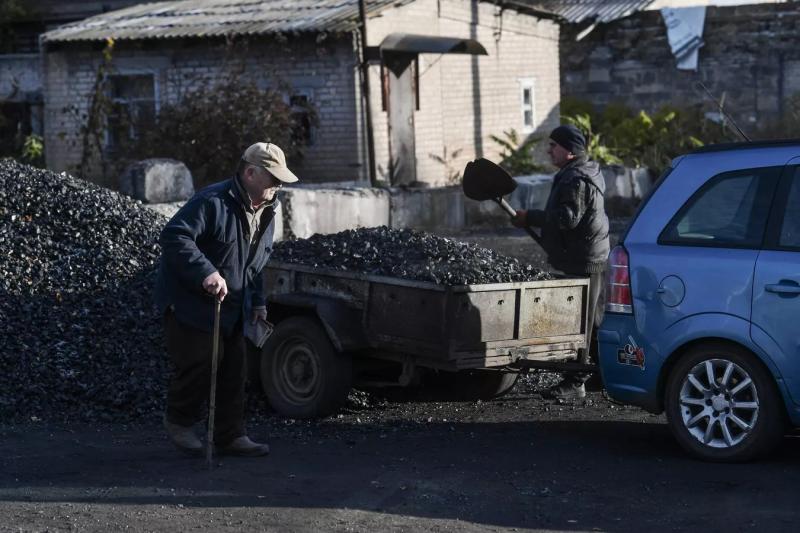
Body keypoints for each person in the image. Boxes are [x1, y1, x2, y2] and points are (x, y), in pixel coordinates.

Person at [155, 142, 298, 456]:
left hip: (235, 303)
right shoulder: (211, 201)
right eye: (273, 177)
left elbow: (256, 260)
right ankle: (179, 422)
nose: (278, 185)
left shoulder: (267, 209)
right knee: (202, 362)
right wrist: (205, 272)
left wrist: (258, 301)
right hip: (192, 302)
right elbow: (174, 236)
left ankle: (230, 435)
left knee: (235, 368)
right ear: (250, 173)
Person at [511, 125, 609, 399]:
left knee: (581, 322)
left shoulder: (575, 178)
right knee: (593, 321)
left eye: (553, 145)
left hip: (584, 259)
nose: (549, 150)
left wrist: (529, 217)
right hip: (590, 255)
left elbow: (567, 219)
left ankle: (576, 382)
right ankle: (602, 375)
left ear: (569, 151)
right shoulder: (587, 170)